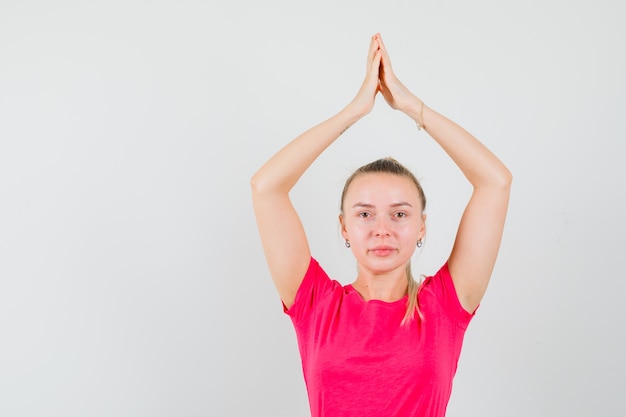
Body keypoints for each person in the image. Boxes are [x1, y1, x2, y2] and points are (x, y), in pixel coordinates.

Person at [250, 33, 512, 417]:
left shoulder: (444, 307)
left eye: (400, 213)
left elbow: (496, 182)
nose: (382, 229)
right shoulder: (316, 305)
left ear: (421, 226)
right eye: (364, 213)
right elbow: (265, 187)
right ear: (343, 227)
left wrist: (409, 106)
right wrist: (353, 112)